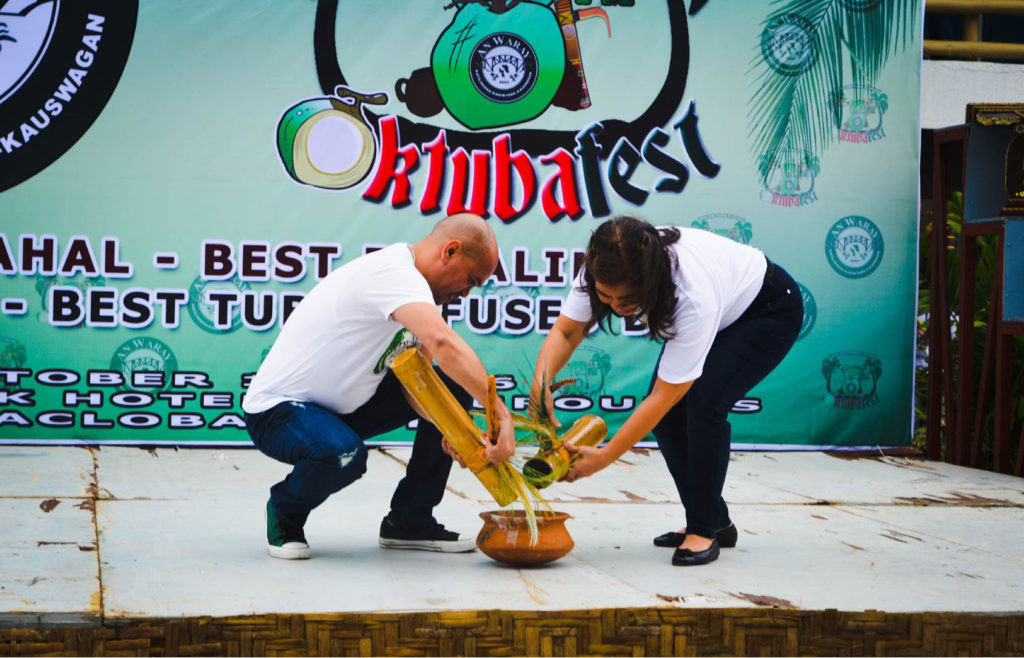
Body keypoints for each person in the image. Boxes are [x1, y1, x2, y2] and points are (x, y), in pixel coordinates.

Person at [530, 216, 802, 566]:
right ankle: (714, 519)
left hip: (766, 311)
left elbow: (663, 396)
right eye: (604, 296)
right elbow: (567, 333)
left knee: (705, 405)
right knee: (670, 421)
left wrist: (606, 455)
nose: (614, 306)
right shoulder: (602, 266)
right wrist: (541, 383)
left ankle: (703, 530)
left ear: (650, 280)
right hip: (725, 310)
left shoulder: (690, 294)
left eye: (627, 299)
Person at [243, 213, 515, 559]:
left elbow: (418, 387)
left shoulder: (420, 299)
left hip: (342, 410)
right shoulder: (394, 273)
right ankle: (285, 511)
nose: (465, 293)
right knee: (343, 453)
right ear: (450, 251)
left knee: (452, 387)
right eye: (470, 280)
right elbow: (444, 344)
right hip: (277, 411)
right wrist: (501, 414)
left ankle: (409, 521)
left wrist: (456, 432)